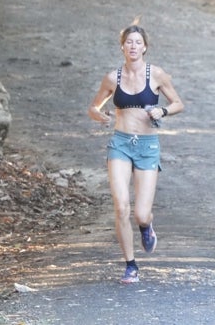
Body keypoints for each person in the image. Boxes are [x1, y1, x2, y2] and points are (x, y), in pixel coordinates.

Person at [88, 19, 184, 283]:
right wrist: (101, 116)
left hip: (147, 146)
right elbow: (93, 108)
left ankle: (146, 226)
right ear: (122, 47)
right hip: (120, 143)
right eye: (128, 42)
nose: (133, 46)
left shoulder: (157, 75)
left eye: (137, 42)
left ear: (145, 48)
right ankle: (131, 265)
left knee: (141, 212)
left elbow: (178, 103)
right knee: (121, 207)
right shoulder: (112, 78)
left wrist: (162, 110)